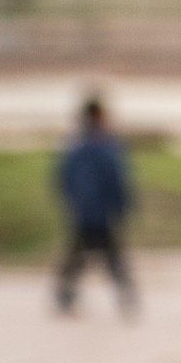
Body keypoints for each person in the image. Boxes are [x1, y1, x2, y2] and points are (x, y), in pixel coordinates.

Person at [51, 95, 137, 319]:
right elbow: (117, 180)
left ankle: (65, 298)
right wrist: (122, 206)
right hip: (101, 213)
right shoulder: (106, 146)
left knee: (78, 257)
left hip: (82, 211)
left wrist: (71, 202)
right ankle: (127, 300)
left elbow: (63, 179)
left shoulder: (74, 144)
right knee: (112, 259)